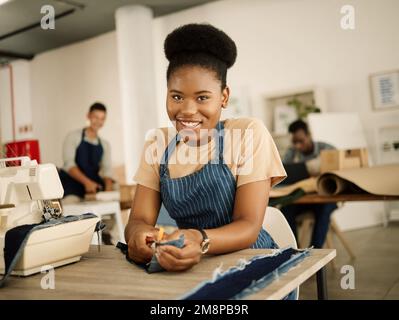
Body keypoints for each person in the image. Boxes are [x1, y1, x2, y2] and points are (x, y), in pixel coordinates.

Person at [124, 24, 288, 274]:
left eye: (202, 98)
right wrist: (139, 236)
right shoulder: (157, 143)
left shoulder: (246, 134)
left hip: (254, 265)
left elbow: (248, 225)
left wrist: (198, 240)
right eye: (177, 97)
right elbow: (139, 220)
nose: (188, 110)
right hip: (192, 268)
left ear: (224, 97)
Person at [281, 119, 337, 248]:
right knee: (285, 209)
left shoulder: (327, 150)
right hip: (304, 198)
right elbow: (284, 174)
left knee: (324, 210)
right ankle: (294, 251)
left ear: (309, 135)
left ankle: (315, 256)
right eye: (294, 142)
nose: (298, 146)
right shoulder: (292, 152)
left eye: (301, 141)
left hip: (325, 197)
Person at [59, 102, 113, 202]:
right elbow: (69, 165)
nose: (98, 122)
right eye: (95, 117)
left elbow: (107, 170)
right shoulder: (73, 137)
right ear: (88, 116)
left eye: (102, 118)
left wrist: (108, 191)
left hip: (92, 190)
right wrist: (87, 183)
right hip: (72, 188)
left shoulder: (105, 145)